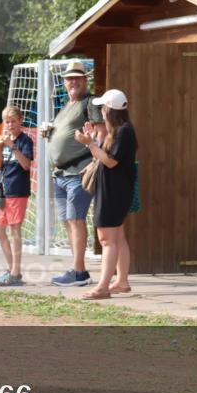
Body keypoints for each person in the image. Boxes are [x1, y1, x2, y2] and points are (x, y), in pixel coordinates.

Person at [43, 60, 106, 287]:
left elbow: (101, 133)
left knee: (76, 220)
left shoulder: (89, 102)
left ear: (85, 80)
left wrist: (95, 160)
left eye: (78, 78)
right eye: (70, 78)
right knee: (68, 222)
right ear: (64, 82)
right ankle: (76, 268)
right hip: (60, 173)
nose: (73, 82)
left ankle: (79, 273)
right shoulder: (64, 107)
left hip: (78, 171)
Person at [73, 89, 137, 300]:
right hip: (115, 190)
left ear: (110, 110)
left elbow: (110, 161)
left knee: (107, 239)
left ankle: (102, 287)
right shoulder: (119, 131)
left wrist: (89, 144)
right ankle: (121, 281)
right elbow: (106, 157)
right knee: (117, 237)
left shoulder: (123, 132)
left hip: (114, 192)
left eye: (103, 107)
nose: (101, 111)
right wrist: (94, 142)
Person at [0, 106, 33, 287]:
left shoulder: (25, 141)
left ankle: (16, 272)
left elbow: (25, 165)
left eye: (13, 121)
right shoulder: (5, 139)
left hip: (18, 191)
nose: (10, 125)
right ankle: (11, 269)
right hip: (4, 190)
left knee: (15, 229)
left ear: (20, 121)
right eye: (7, 122)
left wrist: (12, 146)